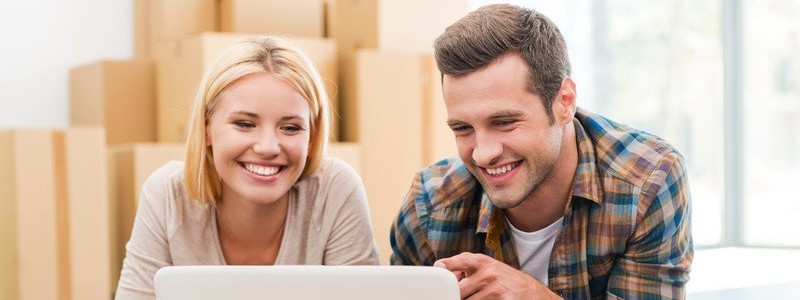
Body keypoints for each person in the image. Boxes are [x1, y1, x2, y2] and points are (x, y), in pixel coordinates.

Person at [390, 4, 693, 299]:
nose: (483, 154)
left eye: (504, 122)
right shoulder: (430, 204)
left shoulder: (647, 181)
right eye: (463, 129)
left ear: (564, 101)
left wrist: (535, 296)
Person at [115, 36, 380, 299]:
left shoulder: (335, 191)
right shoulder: (168, 196)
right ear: (206, 128)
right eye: (244, 124)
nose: (268, 147)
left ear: (312, 137)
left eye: (290, 128)